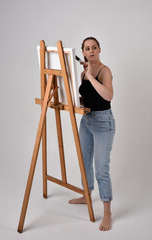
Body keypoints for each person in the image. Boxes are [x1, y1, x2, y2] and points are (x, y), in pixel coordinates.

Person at [68, 37, 116, 231]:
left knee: (101, 169)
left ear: (99, 49)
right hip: (86, 120)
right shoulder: (82, 74)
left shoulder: (105, 71)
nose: (91, 51)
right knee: (84, 160)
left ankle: (107, 213)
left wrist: (89, 74)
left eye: (94, 47)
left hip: (104, 122)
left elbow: (108, 95)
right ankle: (86, 194)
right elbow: (87, 98)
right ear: (83, 52)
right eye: (87, 48)